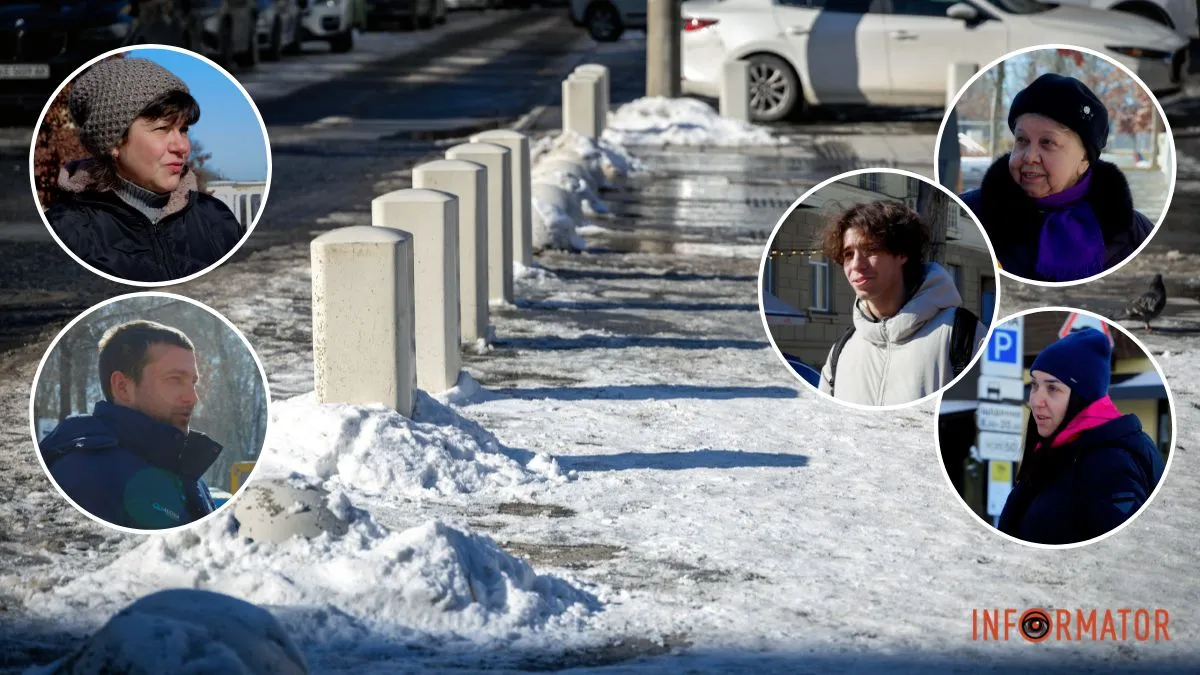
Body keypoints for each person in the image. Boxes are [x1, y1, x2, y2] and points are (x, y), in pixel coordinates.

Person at [45, 57, 244, 283]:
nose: (182, 146)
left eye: (184, 129)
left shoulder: (217, 220)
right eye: (162, 129)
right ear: (114, 142)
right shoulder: (69, 231)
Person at [960, 73, 1153, 282]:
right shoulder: (970, 214)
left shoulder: (1134, 233)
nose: (1029, 156)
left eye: (1047, 142)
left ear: (1084, 159)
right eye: (1022, 140)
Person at [39, 320, 221, 530]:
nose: (192, 397)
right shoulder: (83, 477)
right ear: (123, 387)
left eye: (192, 382)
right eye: (174, 380)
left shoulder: (188, 476)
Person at [998, 329, 1165, 545]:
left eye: (1052, 388)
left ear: (1082, 398)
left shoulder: (1109, 464)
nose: (1036, 400)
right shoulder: (1061, 453)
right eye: (1035, 385)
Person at [817, 201, 987, 406]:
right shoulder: (841, 351)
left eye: (870, 249)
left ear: (902, 253)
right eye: (848, 254)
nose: (856, 265)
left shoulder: (962, 335)